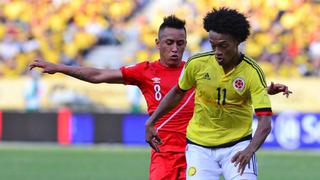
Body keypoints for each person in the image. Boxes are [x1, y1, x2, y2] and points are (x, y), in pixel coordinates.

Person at [29, 15, 291, 180]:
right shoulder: (145, 71)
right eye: (169, 43)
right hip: (164, 154)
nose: (175, 48)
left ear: (186, 44)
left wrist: (267, 88)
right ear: (157, 42)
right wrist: (62, 68)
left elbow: (233, 86)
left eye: (180, 43)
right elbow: (98, 74)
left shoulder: (197, 68)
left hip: (194, 151)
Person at [145, 8, 290, 180]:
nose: (217, 51)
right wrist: (151, 122)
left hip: (237, 146)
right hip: (199, 147)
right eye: (213, 45)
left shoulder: (252, 72)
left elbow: (265, 123)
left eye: (223, 45)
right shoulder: (197, 64)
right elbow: (177, 92)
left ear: (237, 41)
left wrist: (249, 150)